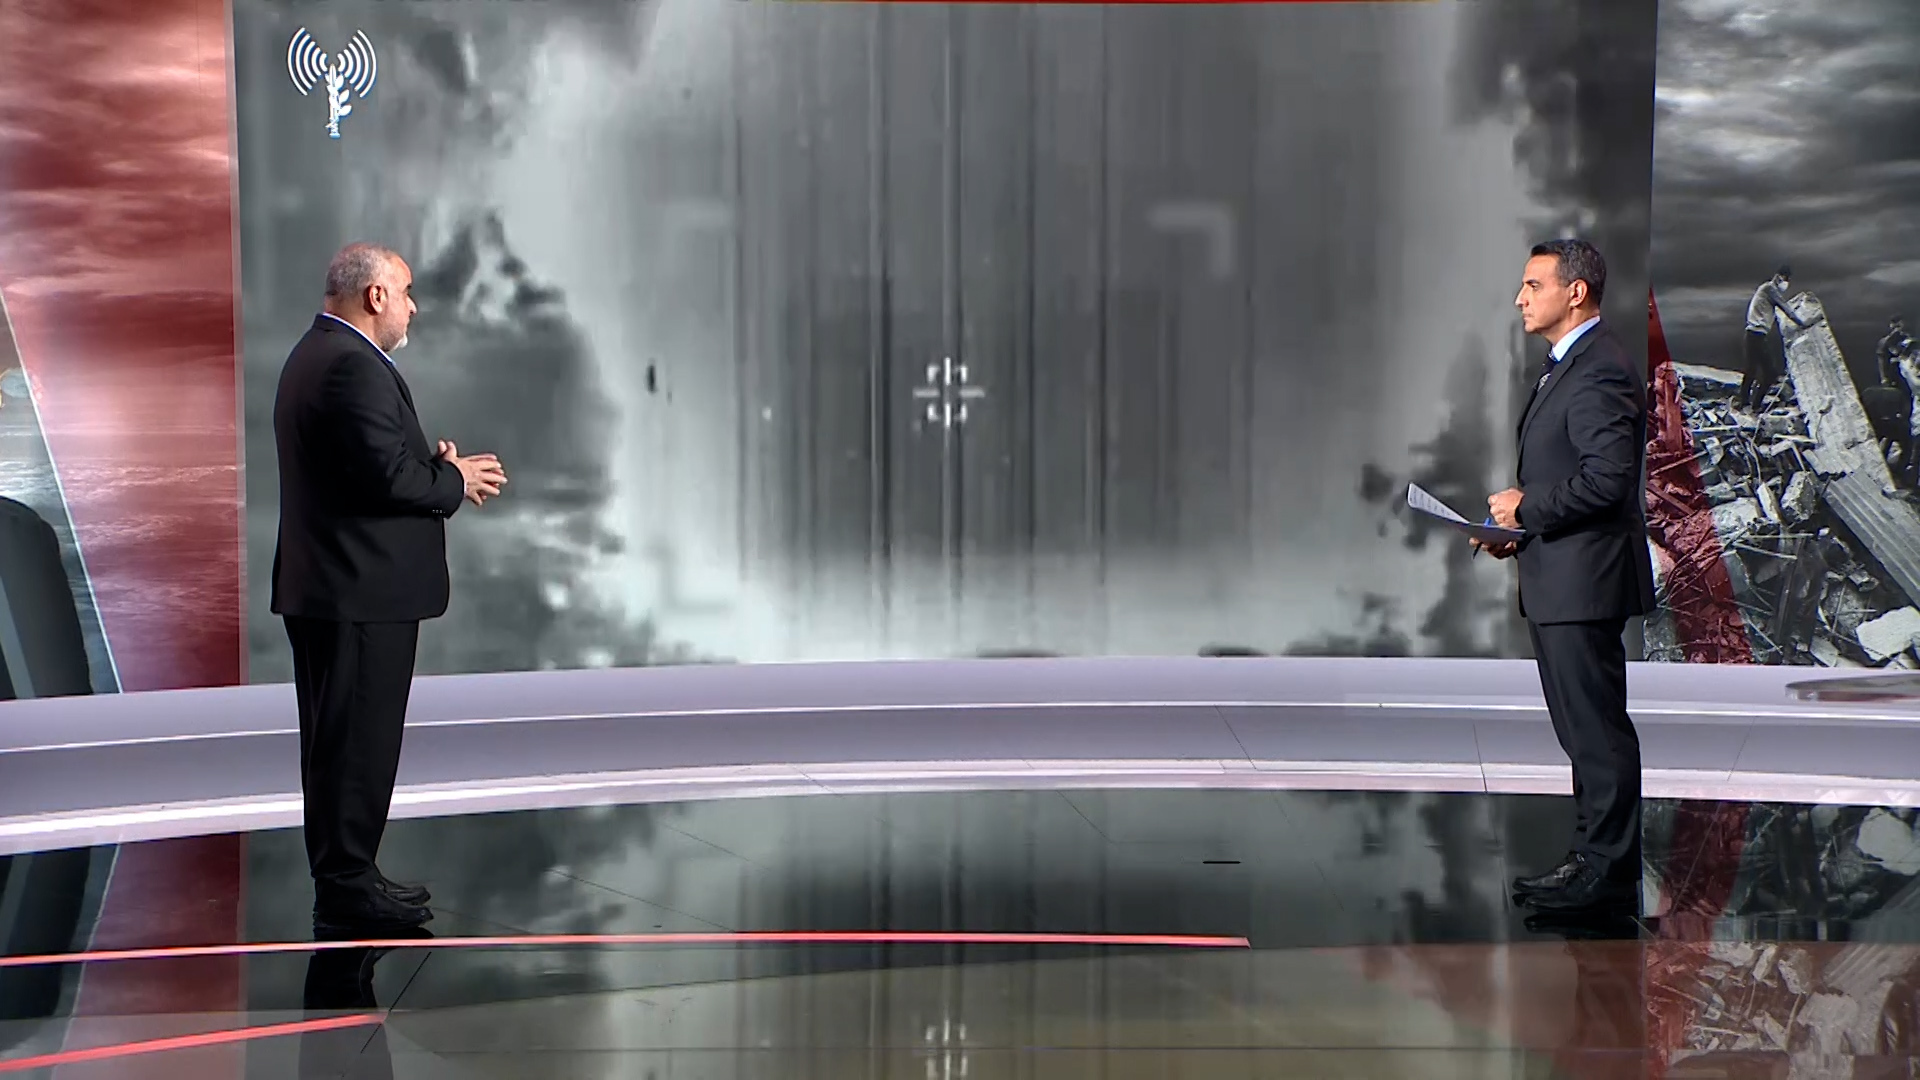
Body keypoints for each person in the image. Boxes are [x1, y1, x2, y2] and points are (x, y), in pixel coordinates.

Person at [271, 242, 507, 931]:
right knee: (356, 748)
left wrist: (430, 469)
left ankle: (350, 877)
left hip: (338, 589)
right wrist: (453, 479)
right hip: (358, 593)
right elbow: (387, 479)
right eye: (405, 293)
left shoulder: (319, 354)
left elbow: (369, 467)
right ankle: (347, 887)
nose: (413, 307)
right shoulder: (351, 365)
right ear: (375, 296)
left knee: (341, 745)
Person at [1478, 239, 1655, 914]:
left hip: (1585, 582)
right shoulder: (1571, 366)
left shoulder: (1599, 368)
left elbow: (1608, 481)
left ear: (1574, 292)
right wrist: (1517, 531)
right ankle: (1591, 860)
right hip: (1561, 576)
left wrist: (1527, 508)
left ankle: (1606, 873)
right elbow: (1570, 474)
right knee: (1582, 733)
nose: (1520, 298)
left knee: (1597, 733)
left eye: (1533, 285)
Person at [1738, 266, 1809, 412]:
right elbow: (1786, 308)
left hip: (1753, 335)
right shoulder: (1770, 289)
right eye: (1785, 279)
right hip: (1756, 335)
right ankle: (1752, 405)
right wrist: (1803, 324)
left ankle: (1747, 404)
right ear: (1778, 277)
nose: (1786, 283)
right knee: (1768, 373)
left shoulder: (1765, 290)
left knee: (1752, 370)